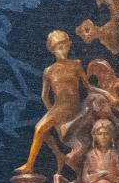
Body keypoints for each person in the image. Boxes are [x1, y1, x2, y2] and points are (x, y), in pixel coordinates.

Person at [18, 31, 85, 172]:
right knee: (40, 129)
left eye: (65, 46)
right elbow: (44, 96)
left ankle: (32, 164)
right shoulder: (49, 71)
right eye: (59, 48)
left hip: (73, 106)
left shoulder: (76, 65)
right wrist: (51, 113)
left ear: (69, 46)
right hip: (58, 108)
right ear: (52, 50)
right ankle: (33, 163)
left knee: (41, 129)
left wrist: (106, 95)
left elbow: (88, 86)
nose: (63, 50)